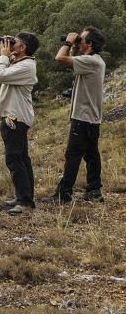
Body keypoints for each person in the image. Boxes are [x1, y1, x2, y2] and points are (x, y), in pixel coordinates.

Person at [46, 27, 107, 204]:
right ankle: (94, 190)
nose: (78, 41)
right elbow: (73, 58)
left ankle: (63, 194)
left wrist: (68, 42)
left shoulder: (91, 61)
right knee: (91, 155)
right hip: (91, 117)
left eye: (82, 39)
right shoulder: (94, 60)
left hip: (83, 117)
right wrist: (76, 45)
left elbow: (60, 58)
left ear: (89, 44)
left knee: (72, 155)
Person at [0, 32, 39, 215]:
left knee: (14, 159)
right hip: (16, 116)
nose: (11, 44)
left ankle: (25, 202)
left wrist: (4, 56)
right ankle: (24, 196)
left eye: (15, 42)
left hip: (15, 118)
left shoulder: (26, 66)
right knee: (22, 158)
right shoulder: (18, 61)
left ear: (23, 48)